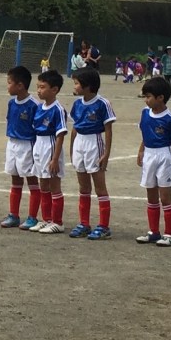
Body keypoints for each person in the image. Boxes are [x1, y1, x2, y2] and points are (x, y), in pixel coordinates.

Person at [68, 67, 115, 240]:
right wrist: (72, 148)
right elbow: (74, 128)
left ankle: (103, 226)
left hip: (94, 142)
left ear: (87, 86)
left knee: (100, 188)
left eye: (76, 83)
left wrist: (106, 154)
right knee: (83, 187)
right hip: (79, 142)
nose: (74, 86)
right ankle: (84, 224)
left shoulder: (102, 103)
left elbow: (108, 129)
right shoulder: (77, 104)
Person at [136, 76, 171, 247]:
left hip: (164, 156)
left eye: (148, 96)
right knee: (151, 194)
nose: (146, 100)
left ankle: (169, 234)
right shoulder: (144, 113)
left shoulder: (170, 119)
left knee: (165, 196)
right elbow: (144, 133)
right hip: (149, 154)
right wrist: (141, 150)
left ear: (160, 97)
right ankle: (153, 232)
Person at [1, 66, 41, 230]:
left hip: (27, 144)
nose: (7, 86)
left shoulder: (34, 105)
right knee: (15, 179)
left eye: (9, 83)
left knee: (31, 180)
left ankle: (32, 217)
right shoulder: (11, 103)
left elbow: (38, 129)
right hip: (12, 143)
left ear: (20, 85)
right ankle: (14, 215)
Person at [30, 69, 68, 234]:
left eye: (42, 87)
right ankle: (46, 219)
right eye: (38, 87)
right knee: (43, 184)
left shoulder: (58, 109)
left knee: (54, 184)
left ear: (54, 89)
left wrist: (55, 158)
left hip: (50, 145)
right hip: (39, 144)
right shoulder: (39, 107)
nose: (39, 90)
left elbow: (60, 135)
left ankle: (57, 222)